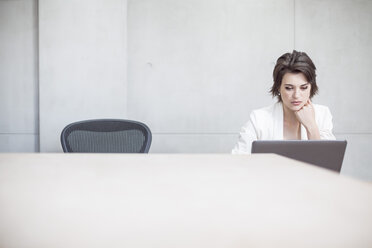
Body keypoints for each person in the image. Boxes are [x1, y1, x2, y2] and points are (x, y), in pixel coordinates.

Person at [232, 50, 336, 154]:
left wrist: (311, 127)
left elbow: (328, 163)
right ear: (278, 87)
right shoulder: (259, 119)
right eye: (289, 88)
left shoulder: (323, 115)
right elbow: (238, 159)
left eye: (303, 88)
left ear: (311, 87)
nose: (296, 95)